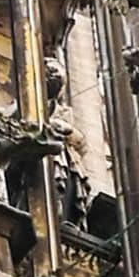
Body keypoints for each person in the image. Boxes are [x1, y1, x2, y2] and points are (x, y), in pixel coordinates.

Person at [45, 55, 92, 230]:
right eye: (50, 73)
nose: (54, 77)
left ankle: (66, 220)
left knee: (67, 187)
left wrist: (67, 130)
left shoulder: (65, 112)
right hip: (45, 157)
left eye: (58, 75)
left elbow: (82, 144)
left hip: (67, 160)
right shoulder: (23, 106)